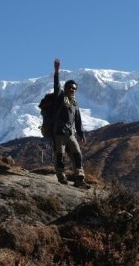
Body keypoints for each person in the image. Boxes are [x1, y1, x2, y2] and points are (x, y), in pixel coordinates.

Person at [53, 59, 90, 189]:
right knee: (60, 155)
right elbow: (57, 86)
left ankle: (79, 178)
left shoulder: (75, 103)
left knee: (77, 154)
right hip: (59, 132)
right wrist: (57, 72)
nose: (71, 89)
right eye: (69, 87)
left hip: (70, 133)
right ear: (65, 88)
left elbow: (78, 120)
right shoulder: (60, 97)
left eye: (73, 88)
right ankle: (61, 177)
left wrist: (81, 134)